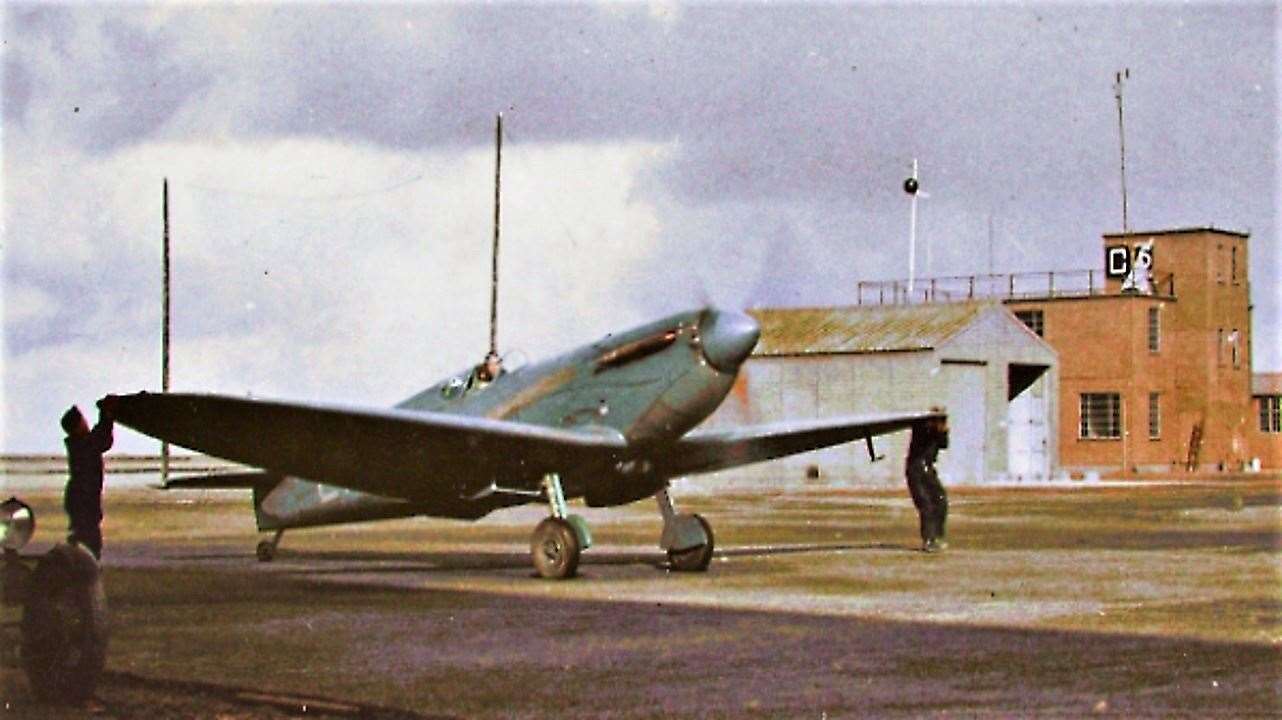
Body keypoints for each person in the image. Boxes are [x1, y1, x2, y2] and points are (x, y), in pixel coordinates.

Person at [61, 396, 116, 559]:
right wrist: (106, 415)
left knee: (83, 538)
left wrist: (106, 415)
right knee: (89, 543)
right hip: (83, 500)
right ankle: (83, 574)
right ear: (77, 426)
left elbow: (100, 439)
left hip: (79, 499)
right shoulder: (83, 445)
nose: (86, 423)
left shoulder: (79, 444)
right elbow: (103, 440)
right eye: (83, 421)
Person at [905, 416, 949, 553]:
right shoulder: (922, 428)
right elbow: (920, 429)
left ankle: (938, 536)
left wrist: (943, 431)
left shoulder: (936, 432)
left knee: (941, 501)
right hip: (916, 469)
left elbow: (944, 444)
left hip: (927, 467)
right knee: (926, 505)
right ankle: (929, 539)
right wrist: (931, 423)